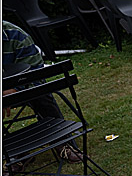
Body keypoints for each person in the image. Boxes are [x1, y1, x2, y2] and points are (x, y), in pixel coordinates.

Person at [2, 20, 83, 168]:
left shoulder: (17, 36)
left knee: (42, 94)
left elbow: (36, 75)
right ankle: (14, 154)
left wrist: (12, 93)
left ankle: (63, 144)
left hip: (22, 88)